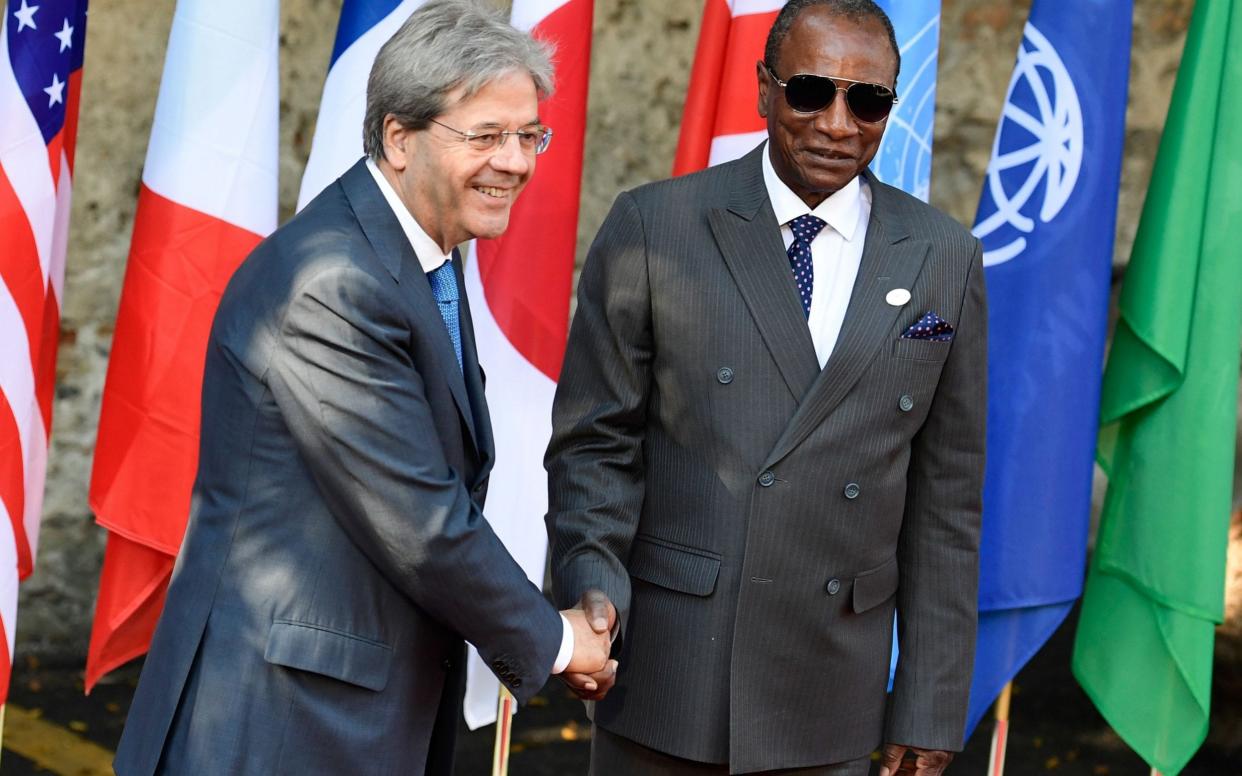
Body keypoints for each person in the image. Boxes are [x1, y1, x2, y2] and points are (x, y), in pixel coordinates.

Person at [113, 2, 611, 774]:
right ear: (398, 137)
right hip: (277, 725)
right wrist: (556, 639)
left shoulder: (419, 257)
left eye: (527, 134)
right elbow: (418, 519)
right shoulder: (334, 282)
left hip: (346, 712)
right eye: (485, 135)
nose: (515, 162)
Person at [546, 1, 987, 774]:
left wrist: (929, 702)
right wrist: (592, 589)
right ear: (764, 89)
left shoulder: (944, 257)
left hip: (833, 694)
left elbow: (946, 500)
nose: (837, 124)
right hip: (673, 681)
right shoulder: (657, 227)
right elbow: (594, 447)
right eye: (811, 92)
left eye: (869, 100)